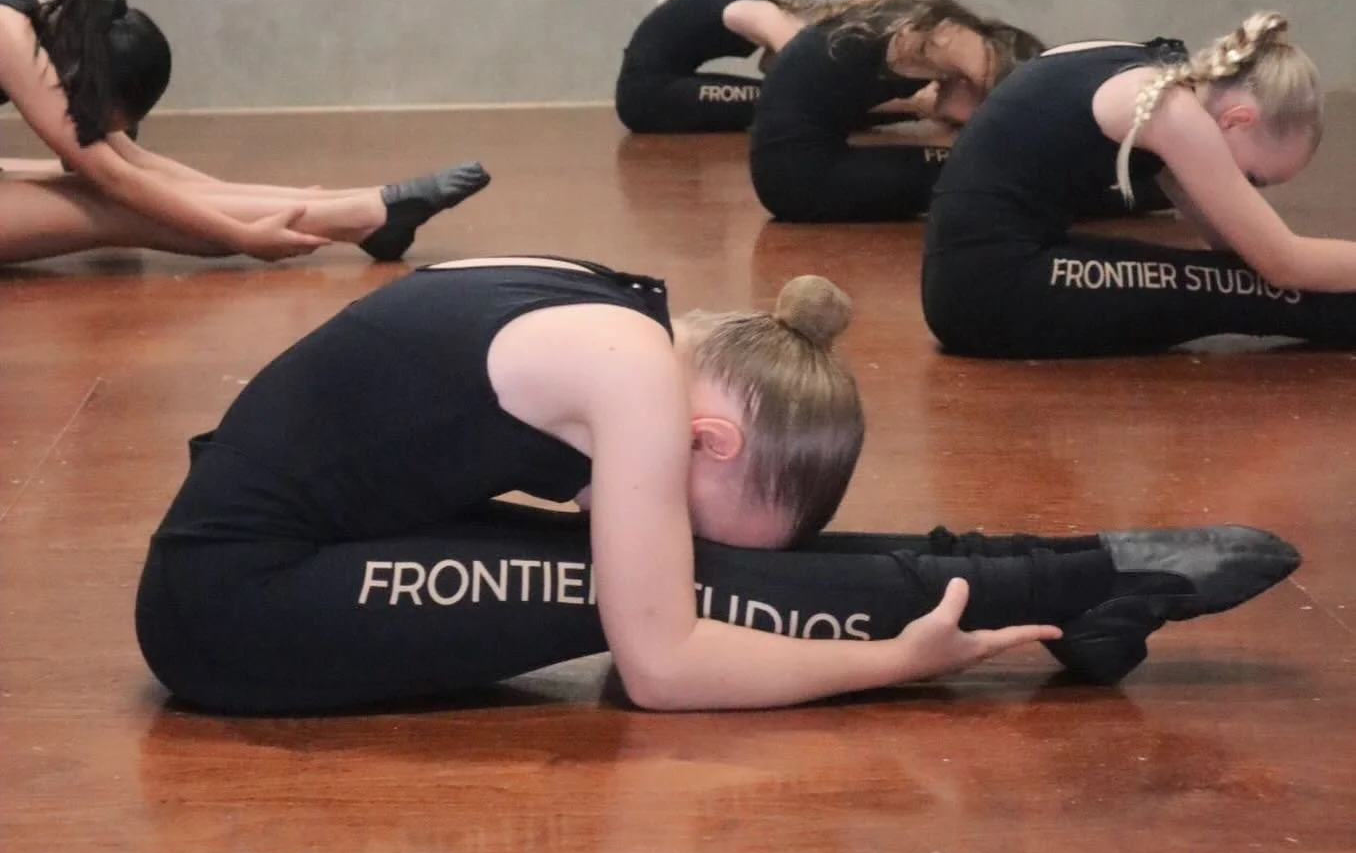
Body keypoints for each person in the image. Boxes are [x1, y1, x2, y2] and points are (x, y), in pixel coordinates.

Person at [133, 253, 1297, 715]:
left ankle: (1064, 579)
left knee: (661, 580)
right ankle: (1065, 582)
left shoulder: (618, 310)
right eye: (711, 514)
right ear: (718, 439)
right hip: (236, 608)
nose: (713, 545)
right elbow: (665, 665)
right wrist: (898, 660)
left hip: (304, 548)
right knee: (655, 598)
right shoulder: (636, 375)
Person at [922, 14, 1356, 358]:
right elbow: (1283, 263)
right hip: (988, 294)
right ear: (1238, 120)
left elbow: (1237, 247)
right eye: (1253, 179)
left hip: (977, 274)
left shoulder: (1154, 70)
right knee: (1254, 293)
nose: (1248, 190)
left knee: (1241, 283)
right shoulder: (1175, 112)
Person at [0, 0, 488, 265]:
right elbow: (107, 175)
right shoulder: (11, 35)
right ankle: (360, 217)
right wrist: (239, 236)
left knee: (135, 190)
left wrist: (251, 198)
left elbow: (128, 159)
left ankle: (356, 209)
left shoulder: (47, 25)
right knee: (109, 207)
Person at [748, 0, 1048, 223]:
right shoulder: (941, 39)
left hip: (791, 167)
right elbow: (981, 101)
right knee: (983, 172)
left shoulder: (911, 31)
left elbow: (951, 107)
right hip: (800, 181)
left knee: (984, 167)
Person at [614, 0, 830, 134]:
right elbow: (801, 67)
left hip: (647, 87)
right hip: (648, 98)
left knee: (783, 96)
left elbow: (774, 68)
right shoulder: (763, 13)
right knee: (792, 103)